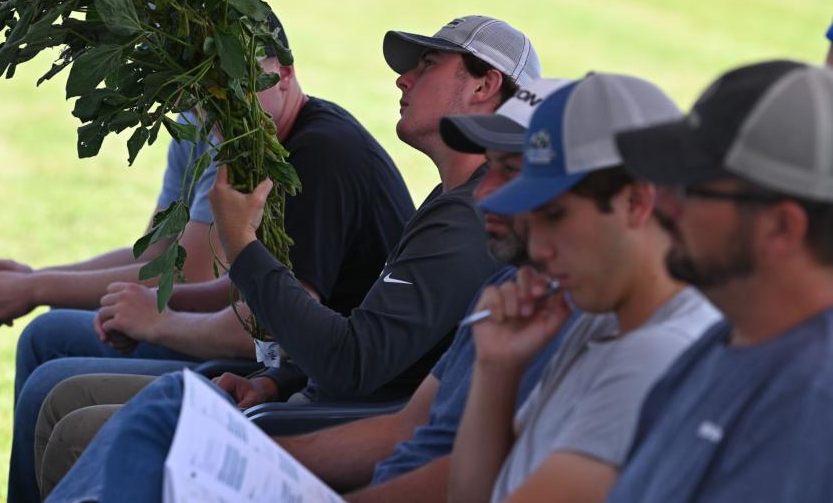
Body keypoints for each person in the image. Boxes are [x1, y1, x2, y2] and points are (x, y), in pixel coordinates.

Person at [43, 75, 573, 503]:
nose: (401, 77)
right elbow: (418, 429)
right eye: (496, 167)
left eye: (517, 170)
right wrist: (274, 388)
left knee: (151, 416)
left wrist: (240, 244)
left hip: (326, 413)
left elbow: (361, 373)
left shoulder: (472, 238)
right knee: (156, 409)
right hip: (312, 405)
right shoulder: (509, 280)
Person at [0, 14, 418, 503]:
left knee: (63, 405)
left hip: (302, 389)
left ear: (283, 72)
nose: (221, 108)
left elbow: (263, 326)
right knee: (51, 376)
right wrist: (153, 308)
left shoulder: (320, 154)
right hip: (275, 374)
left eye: (238, 84)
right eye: (207, 93)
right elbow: (250, 287)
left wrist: (159, 321)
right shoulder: (273, 144)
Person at [448, 72, 721, 503]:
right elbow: (473, 494)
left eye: (555, 216)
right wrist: (497, 368)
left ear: (636, 202)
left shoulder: (656, 353)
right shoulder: (602, 319)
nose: (538, 248)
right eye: (532, 219)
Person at [605, 60, 833, 502]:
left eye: (692, 188)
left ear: (781, 227)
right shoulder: (724, 339)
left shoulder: (811, 406)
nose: (664, 204)